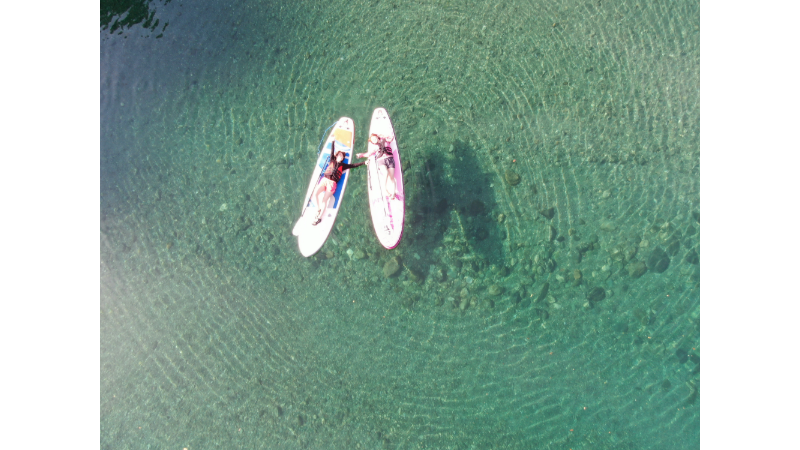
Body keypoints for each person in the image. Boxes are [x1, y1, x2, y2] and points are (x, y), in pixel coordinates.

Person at [312, 141, 365, 225]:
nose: (341, 156)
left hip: (332, 183)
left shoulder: (343, 165)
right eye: (339, 155)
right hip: (325, 180)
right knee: (315, 193)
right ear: (336, 156)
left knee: (324, 200)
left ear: (343, 158)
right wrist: (333, 142)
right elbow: (332, 151)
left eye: (342, 156)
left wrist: (364, 162)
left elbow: (353, 165)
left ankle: (319, 218)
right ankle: (319, 208)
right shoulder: (332, 160)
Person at [357, 132, 397, 200]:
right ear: (372, 142)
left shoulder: (386, 140)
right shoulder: (375, 147)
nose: (374, 139)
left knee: (391, 178)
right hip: (381, 161)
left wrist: (383, 135)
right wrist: (361, 155)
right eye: (372, 139)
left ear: (377, 137)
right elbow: (369, 154)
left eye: (374, 138)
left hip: (390, 160)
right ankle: (385, 189)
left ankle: (393, 193)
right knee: (386, 173)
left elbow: (392, 137)